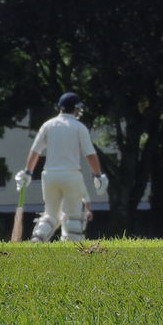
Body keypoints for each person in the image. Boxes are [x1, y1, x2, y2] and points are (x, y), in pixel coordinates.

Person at [14, 93, 107, 243]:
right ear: (76, 108)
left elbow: (35, 151)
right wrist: (98, 175)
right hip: (71, 175)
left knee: (51, 215)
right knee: (74, 216)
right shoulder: (78, 127)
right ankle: (70, 250)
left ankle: (37, 240)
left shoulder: (48, 125)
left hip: (49, 176)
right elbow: (90, 154)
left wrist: (28, 172)